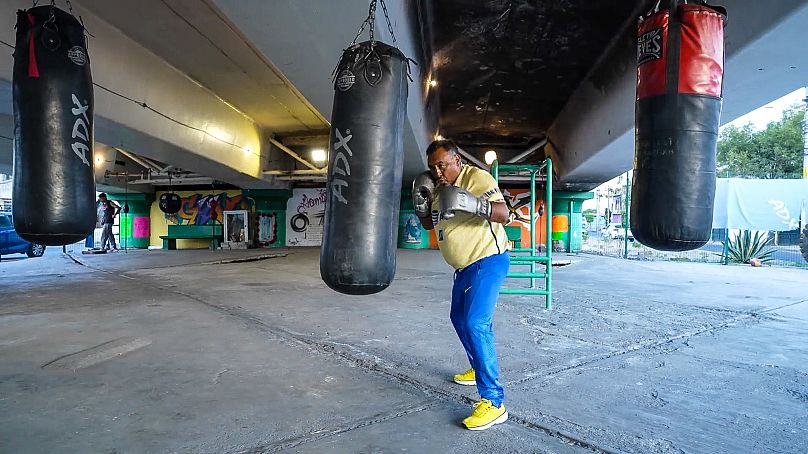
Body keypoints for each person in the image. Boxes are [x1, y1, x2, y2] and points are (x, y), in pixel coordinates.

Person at [412, 139, 511, 430]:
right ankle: (477, 367)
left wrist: (473, 203)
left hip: (488, 260)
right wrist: (421, 206)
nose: (438, 171)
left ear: (457, 160)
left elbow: (503, 215)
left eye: (442, 165)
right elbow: (431, 225)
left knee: (476, 323)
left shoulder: (476, 178)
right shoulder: (437, 186)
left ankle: (494, 402)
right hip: (463, 267)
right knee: (459, 319)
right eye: (433, 167)